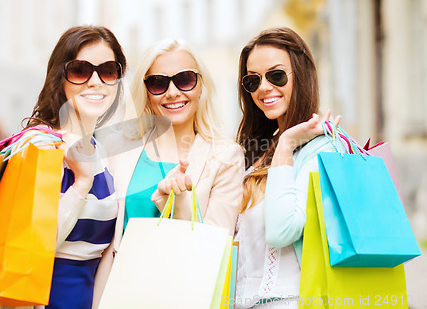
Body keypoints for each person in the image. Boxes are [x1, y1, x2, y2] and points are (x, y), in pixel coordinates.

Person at [0, 25, 126, 309]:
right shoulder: (38, 145)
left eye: (108, 71)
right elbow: (28, 249)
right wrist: (81, 183)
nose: (95, 81)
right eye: (80, 70)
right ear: (59, 77)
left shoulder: (100, 152)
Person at [95, 39, 245, 294]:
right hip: (118, 292)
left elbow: (214, 249)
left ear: (201, 86)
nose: (172, 92)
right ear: (146, 91)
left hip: (183, 295)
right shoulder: (119, 147)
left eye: (184, 79)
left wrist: (179, 201)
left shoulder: (226, 157)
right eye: (158, 83)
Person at [233, 27, 341, 308]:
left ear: (301, 75)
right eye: (252, 80)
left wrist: (286, 144)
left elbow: (281, 232)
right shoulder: (258, 152)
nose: (264, 87)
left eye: (276, 75)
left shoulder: (322, 149)